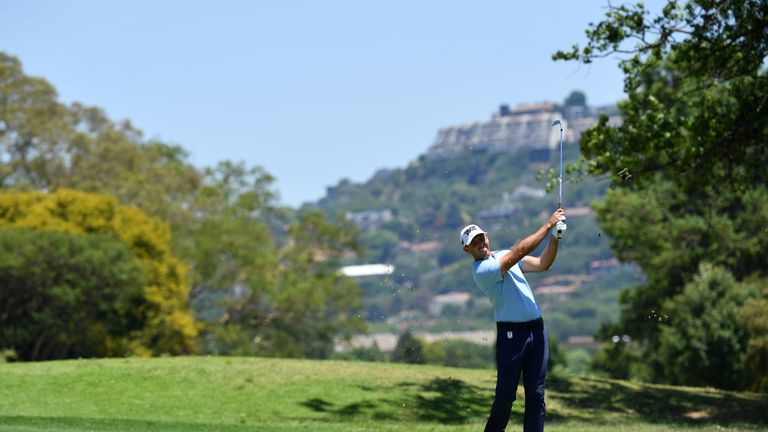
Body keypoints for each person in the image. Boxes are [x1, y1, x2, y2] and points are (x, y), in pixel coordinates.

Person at [459, 208, 566, 432]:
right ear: (467, 249)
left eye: (482, 237)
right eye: (474, 242)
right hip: (512, 336)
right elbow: (518, 253)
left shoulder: (504, 255)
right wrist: (547, 225)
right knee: (506, 397)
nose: (481, 243)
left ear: (487, 237)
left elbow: (542, 264)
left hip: (537, 331)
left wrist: (555, 237)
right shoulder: (482, 270)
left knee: (536, 395)